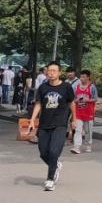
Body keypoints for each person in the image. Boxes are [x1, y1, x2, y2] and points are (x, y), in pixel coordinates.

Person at [26, 62, 76, 191]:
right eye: (49, 70)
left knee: (54, 151)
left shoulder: (66, 87)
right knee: (43, 153)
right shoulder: (43, 87)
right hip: (44, 124)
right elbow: (38, 104)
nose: (51, 73)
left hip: (60, 124)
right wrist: (32, 120)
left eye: (54, 71)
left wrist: (74, 119)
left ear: (59, 73)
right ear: (46, 72)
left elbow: (72, 103)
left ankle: (50, 179)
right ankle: (55, 165)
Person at [70, 70, 98, 155]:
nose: (82, 78)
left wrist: (87, 100)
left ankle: (88, 144)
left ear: (88, 77)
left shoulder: (92, 87)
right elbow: (73, 100)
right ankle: (76, 147)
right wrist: (77, 100)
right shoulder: (76, 87)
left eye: (84, 77)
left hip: (88, 113)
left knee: (88, 131)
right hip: (78, 113)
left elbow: (95, 99)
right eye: (81, 77)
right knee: (78, 130)